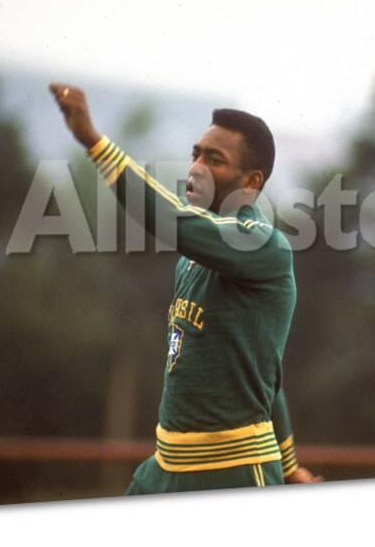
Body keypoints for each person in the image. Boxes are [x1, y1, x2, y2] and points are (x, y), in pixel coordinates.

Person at [49, 85, 319, 492]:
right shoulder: (192, 259)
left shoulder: (264, 244)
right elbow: (269, 376)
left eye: (215, 160)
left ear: (250, 182)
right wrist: (292, 462)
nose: (196, 167)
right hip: (165, 466)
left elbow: (171, 220)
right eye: (196, 154)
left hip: (232, 470)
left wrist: (94, 141)